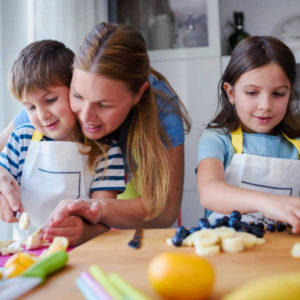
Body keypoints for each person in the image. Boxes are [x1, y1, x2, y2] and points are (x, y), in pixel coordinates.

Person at [39, 21, 191, 240]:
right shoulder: (57, 94)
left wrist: (96, 210)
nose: (86, 116)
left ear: (139, 94)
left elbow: (164, 211)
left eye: (104, 105)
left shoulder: (163, 110)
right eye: (78, 96)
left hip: (140, 238)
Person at [0, 40, 125, 245]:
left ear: (75, 92)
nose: (42, 115)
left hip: (80, 255)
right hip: (25, 255)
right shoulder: (22, 139)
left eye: (50, 100)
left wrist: (83, 232)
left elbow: (105, 217)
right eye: (30, 107)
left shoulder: (106, 151)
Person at [196, 35, 300, 233]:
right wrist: (268, 203)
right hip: (229, 252)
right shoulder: (217, 139)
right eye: (252, 93)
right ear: (231, 93)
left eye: (278, 94)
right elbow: (209, 191)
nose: (265, 106)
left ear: (290, 93)